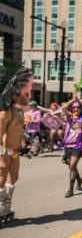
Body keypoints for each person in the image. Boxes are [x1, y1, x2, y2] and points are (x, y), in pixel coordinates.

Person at [0, 68, 33, 223]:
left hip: (15, 151)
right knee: (1, 180)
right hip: (5, 151)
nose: (23, 96)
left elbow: (18, 130)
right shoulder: (5, 113)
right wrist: (0, 157)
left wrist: (26, 136)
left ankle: (5, 209)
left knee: (14, 178)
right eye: (20, 94)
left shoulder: (19, 111)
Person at [62, 92, 82, 198]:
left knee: (72, 165)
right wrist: (73, 100)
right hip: (68, 144)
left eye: (78, 107)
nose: (76, 109)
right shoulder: (69, 117)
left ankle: (70, 189)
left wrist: (78, 99)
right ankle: (79, 179)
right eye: (74, 107)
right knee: (70, 166)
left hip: (78, 144)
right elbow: (64, 107)